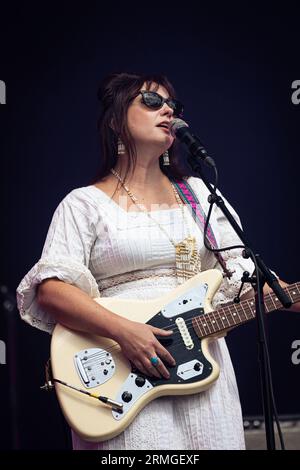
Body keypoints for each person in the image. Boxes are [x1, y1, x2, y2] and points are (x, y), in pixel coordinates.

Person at [16, 72, 300, 450]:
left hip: (201, 368)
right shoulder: (83, 204)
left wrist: (289, 295)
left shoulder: (200, 195)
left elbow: (245, 280)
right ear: (117, 120)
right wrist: (124, 332)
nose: (168, 110)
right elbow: (52, 291)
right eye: (151, 101)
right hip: (121, 368)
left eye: (173, 105)